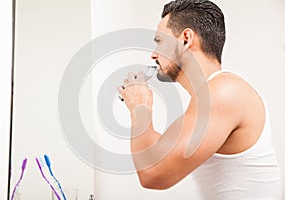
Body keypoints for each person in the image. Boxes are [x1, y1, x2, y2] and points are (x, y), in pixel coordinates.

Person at [117, 0, 282, 199]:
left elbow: (153, 174)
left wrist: (140, 108)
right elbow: (158, 153)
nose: (153, 55)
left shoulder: (225, 92)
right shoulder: (212, 94)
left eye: (160, 41)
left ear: (186, 39)